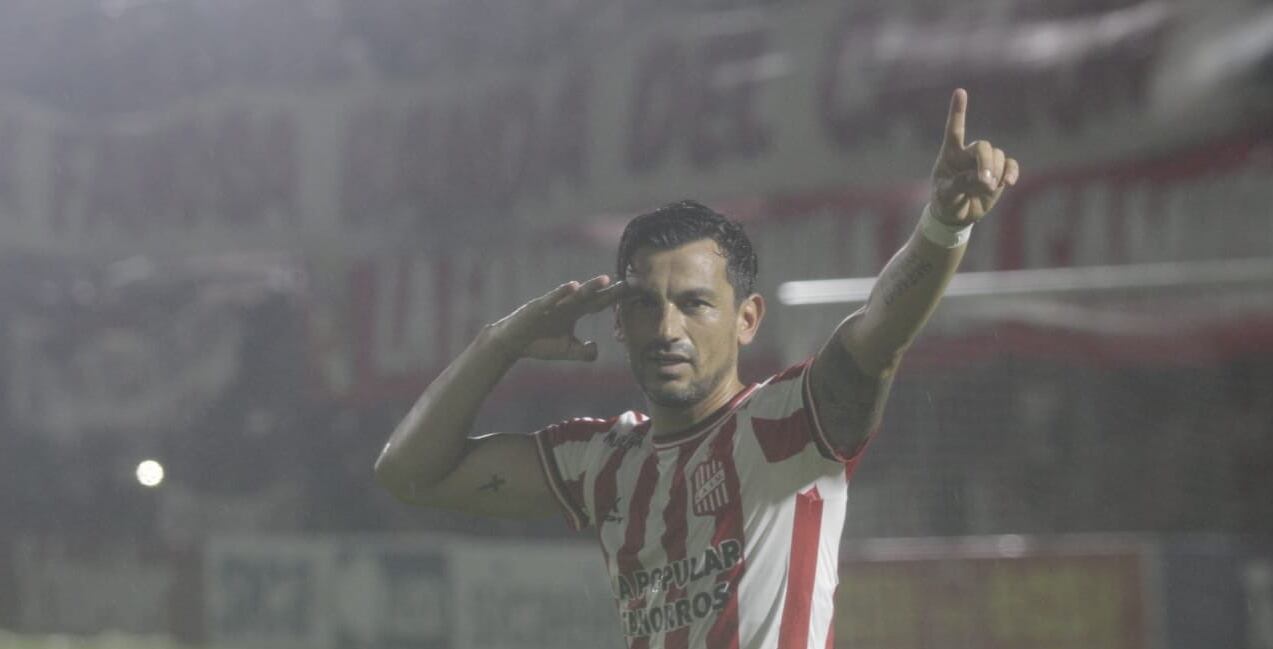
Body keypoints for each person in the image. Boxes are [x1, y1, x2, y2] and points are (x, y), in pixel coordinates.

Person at [374, 88, 1019, 649]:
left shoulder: (792, 421)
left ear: (748, 318)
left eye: (694, 305)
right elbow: (406, 473)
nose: (667, 329)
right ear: (618, 323)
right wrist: (500, 341)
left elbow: (882, 329)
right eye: (645, 307)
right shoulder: (602, 460)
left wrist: (943, 226)